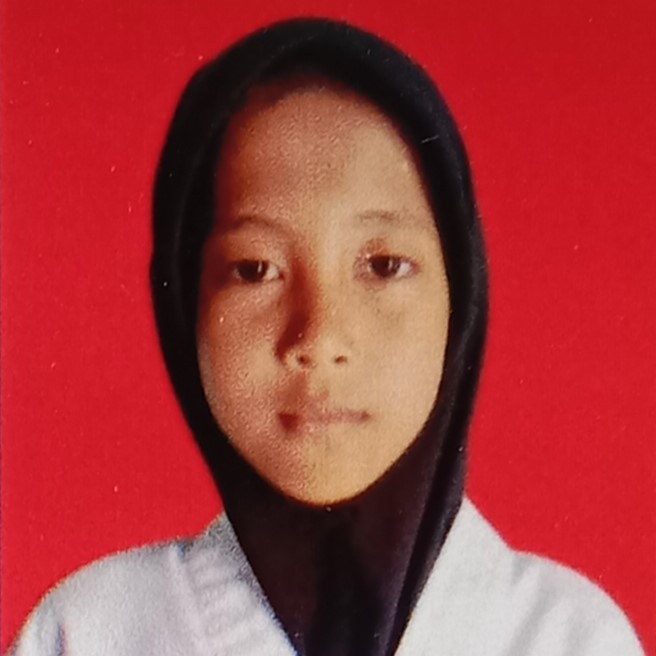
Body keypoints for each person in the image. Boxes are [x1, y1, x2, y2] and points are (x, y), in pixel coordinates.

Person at [9, 18, 645, 656]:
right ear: (184, 304)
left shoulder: (571, 637)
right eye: (255, 269)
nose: (318, 337)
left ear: (461, 295)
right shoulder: (90, 632)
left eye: (383, 265)